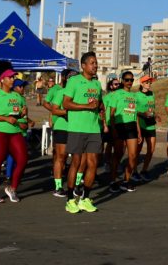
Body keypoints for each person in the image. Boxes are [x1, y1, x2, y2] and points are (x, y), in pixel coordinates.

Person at [62, 52, 102, 214]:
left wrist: (98, 106)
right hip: (77, 128)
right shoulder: (74, 81)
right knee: (76, 163)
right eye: (92, 63)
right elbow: (66, 104)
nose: (95, 65)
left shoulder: (97, 84)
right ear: (83, 66)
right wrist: (86, 106)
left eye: (96, 63)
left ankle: (85, 198)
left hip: (93, 129)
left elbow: (99, 105)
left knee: (93, 163)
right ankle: (70, 199)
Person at [0, 69, 28, 203]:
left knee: (23, 159)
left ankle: (12, 188)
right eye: (10, 77)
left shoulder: (17, 96)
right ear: (2, 80)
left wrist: (22, 114)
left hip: (14, 132)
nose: (13, 79)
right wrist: (5, 119)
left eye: (13, 77)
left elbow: (19, 115)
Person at [45, 68, 77, 197]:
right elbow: (54, 110)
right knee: (61, 157)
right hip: (62, 127)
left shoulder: (80, 93)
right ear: (65, 79)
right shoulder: (60, 92)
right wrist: (67, 112)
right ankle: (58, 187)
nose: (73, 80)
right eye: (71, 77)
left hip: (77, 128)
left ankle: (76, 185)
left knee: (77, 158)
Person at [108, 71, 141, 193]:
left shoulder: (134, 96)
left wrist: (139, 132)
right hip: (120, 126)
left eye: (131, 80)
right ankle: (113, 180)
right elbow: (111, 114)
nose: (129, 82)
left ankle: (126, 181)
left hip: (132, 127)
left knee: (132, 156)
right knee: (118, 155)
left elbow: (135, 114)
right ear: (122, 81)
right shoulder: (117, 94)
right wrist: (113, 129)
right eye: (127, 80)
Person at [5, 78, 32, 185]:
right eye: (21, 86)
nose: (23, 88)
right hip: (15, 129)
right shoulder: (12, 97)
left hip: (23, 129)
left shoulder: (22, 98)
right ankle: (8, 176)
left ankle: (15, 175)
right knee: (13, 154)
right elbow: (11, 115)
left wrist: (29, 121)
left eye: (23, 86)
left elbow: (23, 114)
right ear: (14, 87)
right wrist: (20, 123)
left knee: (20, 155)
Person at [134, 75, 156, 182]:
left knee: (151, 150)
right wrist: (143, 113)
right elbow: (134, 112)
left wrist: (156, 115)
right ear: (142, 84)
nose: (149, 84)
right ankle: (134, 171)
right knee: (137, 151)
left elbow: (152, 109)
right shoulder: (136, 95)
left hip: (151, 124)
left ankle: (144, 170)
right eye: (147, 82)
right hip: (141, 125)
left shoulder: (152, 94)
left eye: (150, 82)